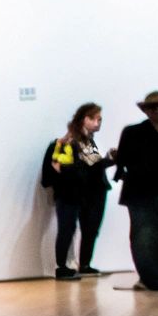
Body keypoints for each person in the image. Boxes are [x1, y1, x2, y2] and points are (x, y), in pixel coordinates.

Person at [111, 90, 158, 292]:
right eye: (153, 107)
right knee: (144, 240)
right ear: (145, 110)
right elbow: (123, 162)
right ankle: (150, 280)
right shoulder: (132, 132)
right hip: (142, 196)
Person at [40, 103, 116, 279]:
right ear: (83, 119)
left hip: (91, 192)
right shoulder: (66, 142)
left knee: (90, 229)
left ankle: (84, 265)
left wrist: (109, 160)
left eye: (100, 119)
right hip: (71, 193)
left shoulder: (87, 143)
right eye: (94, 119)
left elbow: (93, 167)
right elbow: (61, 168)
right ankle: (62, 267)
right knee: (67, 228)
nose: (98, 123)